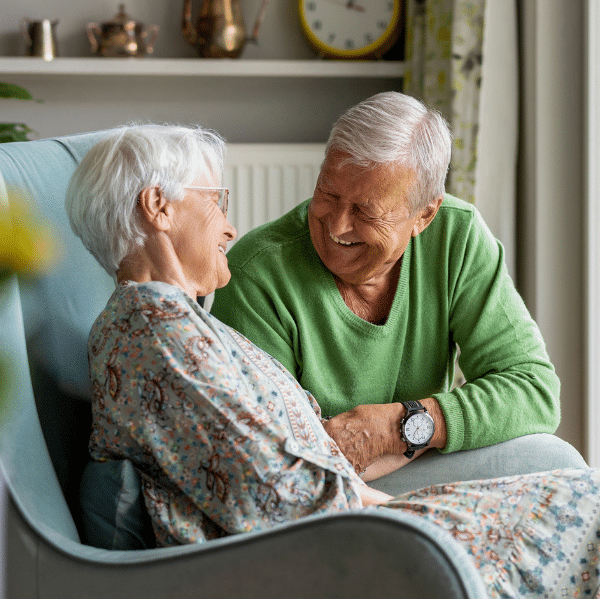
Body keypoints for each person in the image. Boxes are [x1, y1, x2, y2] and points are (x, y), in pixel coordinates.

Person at [65, 122, 600, 599]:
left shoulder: (177, 324)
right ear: (158, 206)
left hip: (347, 520)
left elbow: (274, 469)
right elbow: (276, 493)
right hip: (327, 546)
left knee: (577, 491)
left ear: (424, 215)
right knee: (585, 510)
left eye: (365, 209)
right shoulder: (158, 331)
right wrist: (419, 518)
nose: (229, 225)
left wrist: (405, 463)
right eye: (216, 202)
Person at [211, 92, 561, 479]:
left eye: (365, 211)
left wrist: (398, 427)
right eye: (328, 194)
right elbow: (270, 463)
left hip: (414, 462)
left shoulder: (456, 237)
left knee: (554, 459)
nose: (337, 225)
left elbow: (534, 390)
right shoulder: (256, 273)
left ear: (424, 216)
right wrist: (416, 441)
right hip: (323, 491)